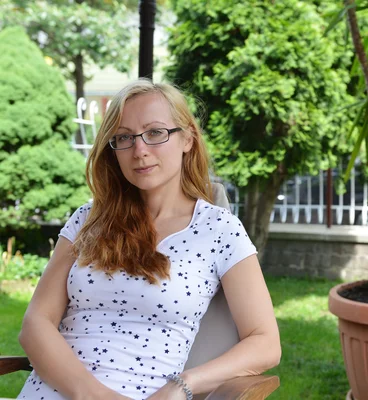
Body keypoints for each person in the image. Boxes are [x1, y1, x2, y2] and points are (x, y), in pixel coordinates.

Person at [17, 79, 281, 399]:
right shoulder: (88, 219)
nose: (139, 150)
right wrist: (94, 395)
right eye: (124, 137)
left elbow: (265, 342)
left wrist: (182, 385)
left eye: (155, 133)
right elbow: (36, 323)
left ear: (187, 138)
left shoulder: (219, 230)